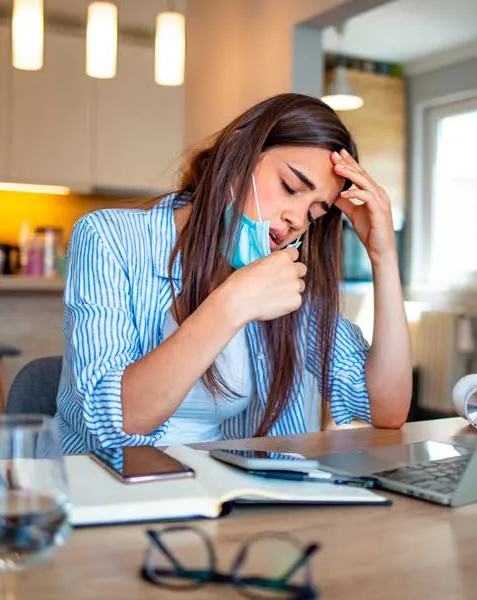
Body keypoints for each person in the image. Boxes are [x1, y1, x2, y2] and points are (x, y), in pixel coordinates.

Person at [56, 93, 413, 452]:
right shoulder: (109, 238)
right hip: (109, 490)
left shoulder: (287, 278)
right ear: (239, 151)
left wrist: (383, 258)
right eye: (290, 187)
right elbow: (117, 420)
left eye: (314, 214)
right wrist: (233, 303)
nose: (296, 219)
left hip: (224, 494)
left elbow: (385, 408)